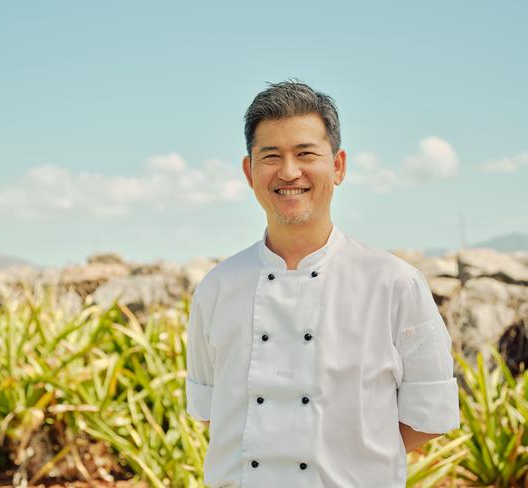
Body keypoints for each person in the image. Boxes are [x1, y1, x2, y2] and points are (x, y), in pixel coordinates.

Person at [185, 79, 460, 487]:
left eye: (305, 153)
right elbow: (211, 411)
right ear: (249, 171)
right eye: (271, 156)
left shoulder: (394, 284)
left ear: (338, 166)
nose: (289, 171)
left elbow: (428, 416)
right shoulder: (217, 287)